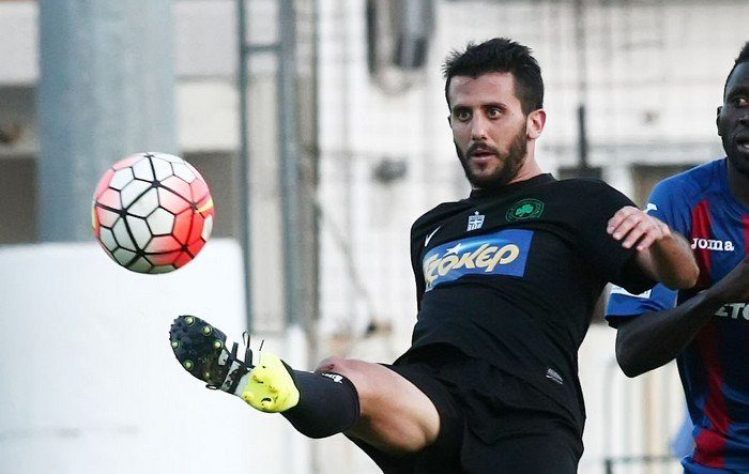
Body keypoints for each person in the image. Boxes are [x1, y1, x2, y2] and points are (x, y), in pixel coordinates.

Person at [170, 38, 698, 473]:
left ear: (535, 122)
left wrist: (662, 238)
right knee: (344, 374)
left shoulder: (581, 202)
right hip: (435, 396)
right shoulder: (432, 228)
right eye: (463, 115)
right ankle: (274, 382)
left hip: (526, 418)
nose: (477, 130)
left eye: (494, 112)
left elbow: (682, 275)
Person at [606, 41, 749, 474]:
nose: (747, 114)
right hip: (720, 463)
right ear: (720, 120)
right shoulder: (679, 201)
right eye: (739, 101)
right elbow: (631, 352)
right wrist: (716, 296)